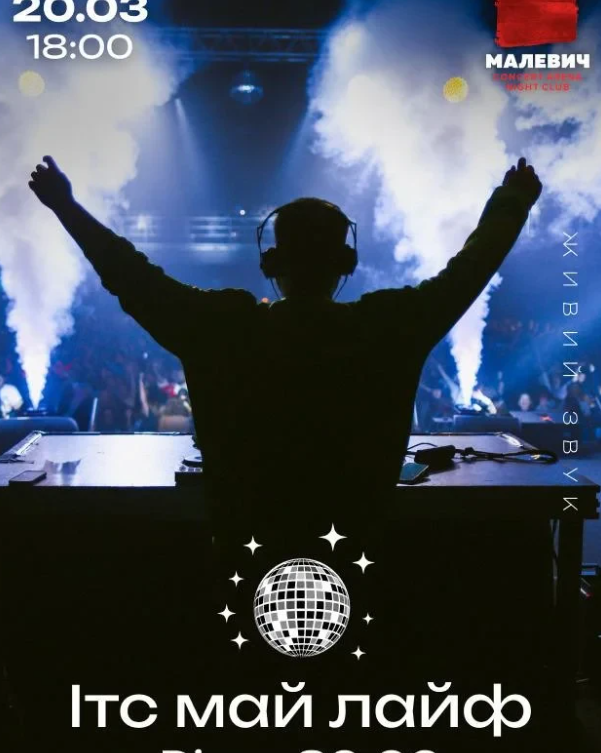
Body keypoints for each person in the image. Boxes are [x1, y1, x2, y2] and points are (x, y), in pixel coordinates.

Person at [28, 155, 542, 678]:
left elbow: (130, 274)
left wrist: (66, 206)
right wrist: (511, 204)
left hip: (241, 559)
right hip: (361, 558)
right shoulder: (390, 325)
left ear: (270, 263)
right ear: (347, 262)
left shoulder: (219, 325)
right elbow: (467, 273)